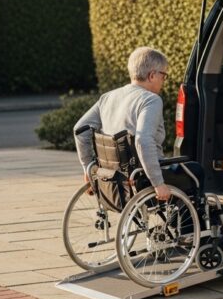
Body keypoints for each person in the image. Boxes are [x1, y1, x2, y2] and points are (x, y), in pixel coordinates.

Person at [74, 47, 197, 201]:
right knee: (196, 171)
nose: (163, 81)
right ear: (152, 75)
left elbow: (80, 129)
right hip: (141, 177)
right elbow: (143, 140)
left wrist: (88, 168)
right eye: (163, 76)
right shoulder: (150, 100)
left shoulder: (108, 97)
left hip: (113, 176)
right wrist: (158, 183)